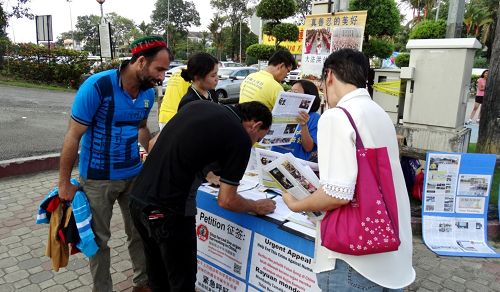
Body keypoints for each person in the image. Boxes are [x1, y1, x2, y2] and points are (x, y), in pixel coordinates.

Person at [282, 49, 415, 291]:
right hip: (388, 250)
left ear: (329, 76)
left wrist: (296, 204)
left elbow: (337, 193)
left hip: (352, 259)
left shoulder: (336, 116)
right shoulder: (379, 113)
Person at [57, 36, 172, 292]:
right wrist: (63, 182)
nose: (162, 77)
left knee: (141, 233)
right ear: (141, 62)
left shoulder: (147, 93)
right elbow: (73, 135)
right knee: (98, 241)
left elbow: (141, 128)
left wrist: (151, 159)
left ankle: (142, 283)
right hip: (98, 179)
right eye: (159, 69)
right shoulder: (98, 86)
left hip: (134, 175)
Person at [129, 101, 276, 291]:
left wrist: (202, 172)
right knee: (182, 281)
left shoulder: (198, 106)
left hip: (140, 204)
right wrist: (256, 206)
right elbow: (227, 200)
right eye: (259, 138)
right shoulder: (239, 137)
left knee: (157, 275)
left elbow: (152, 143)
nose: (255, 143)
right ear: (255, 125)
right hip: (168, 213)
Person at [271, 80, 321, 161]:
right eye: (291, 91)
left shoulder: (314, 118)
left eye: (296, 92)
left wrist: (304, 126)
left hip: (297, 164)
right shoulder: (283, 112)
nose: (291, 94)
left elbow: (308, 148)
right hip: (275, 158)